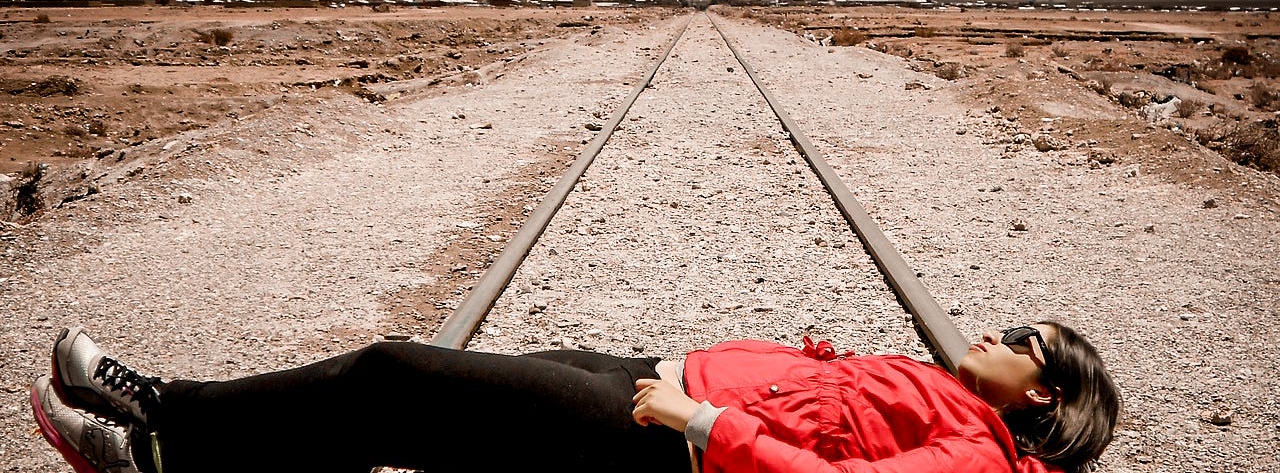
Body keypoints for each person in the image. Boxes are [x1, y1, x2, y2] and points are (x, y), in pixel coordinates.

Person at [31, 321, 1121, 473]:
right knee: (417, 419)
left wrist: (704, 419)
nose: (1000, 330)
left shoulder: (990, 460)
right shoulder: (951, 399)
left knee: (396, 376)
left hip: (674, 443)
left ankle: (163, 415)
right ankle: (165, 442)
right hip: (659, 385)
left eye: (1027, 341)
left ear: (1047, 395)